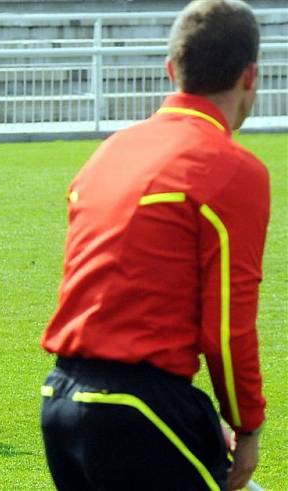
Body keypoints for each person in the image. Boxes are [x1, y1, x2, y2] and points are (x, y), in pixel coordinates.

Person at [39, 1, 267, 490]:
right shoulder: (233, 169)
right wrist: (247, 424)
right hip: (139, 410)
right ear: (250, 76)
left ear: (171, 69)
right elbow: (227, 330)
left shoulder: (111, 152)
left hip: (60, 401)